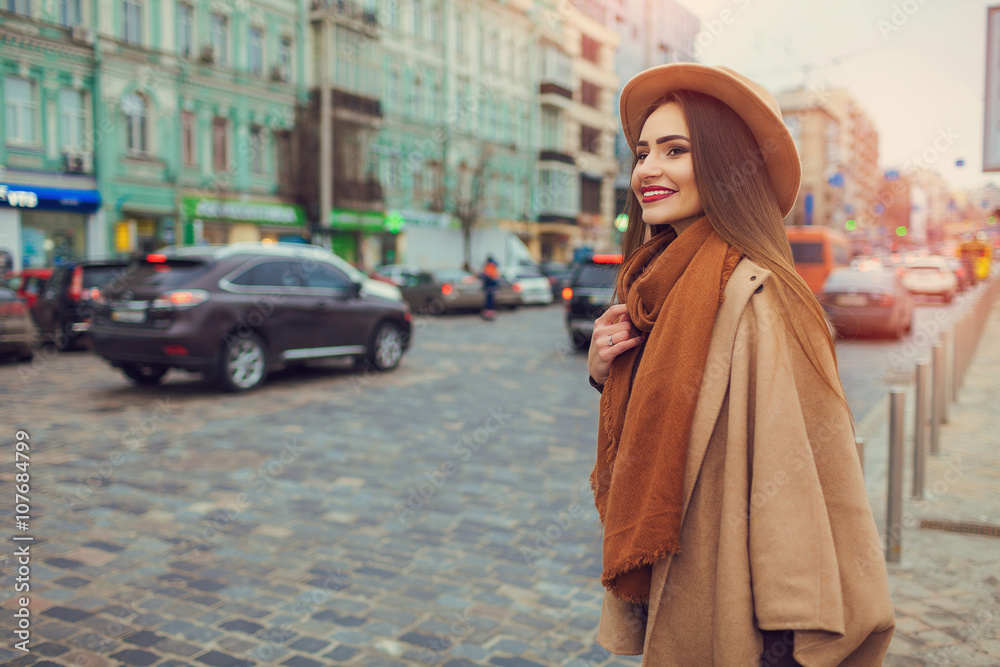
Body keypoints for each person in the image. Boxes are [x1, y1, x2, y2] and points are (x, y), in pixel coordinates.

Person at [586, 63, 895, 666]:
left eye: (676, 150)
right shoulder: (655, 287)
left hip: (746, 611)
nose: (648, 168)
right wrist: (604, 371)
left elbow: (801, 482)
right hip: (679, 575)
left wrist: (783, 639)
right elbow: (660, 424)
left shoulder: (759, 295)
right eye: (643, 151)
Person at [480, 255, 500, 320]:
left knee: (490, 300)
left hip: (490, 286)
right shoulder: (492, 266)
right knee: (489, 300)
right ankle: (489, 312)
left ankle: (490, 312)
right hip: (490, 286)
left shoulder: (490, 267)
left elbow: (491, 276)